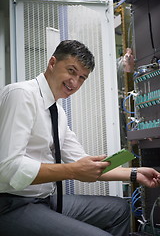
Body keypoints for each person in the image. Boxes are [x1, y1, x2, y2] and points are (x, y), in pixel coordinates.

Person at [0, 40, 160, 236]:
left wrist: (135, 173)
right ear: (52, 63)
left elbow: (81, 163)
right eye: (71, 71)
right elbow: (7, 169)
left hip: (43, 200)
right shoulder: (21, 95)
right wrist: (72, 171)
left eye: (82, 77)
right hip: (10, 204)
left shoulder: (57, 112)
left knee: (118, 209)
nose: (74, 82)